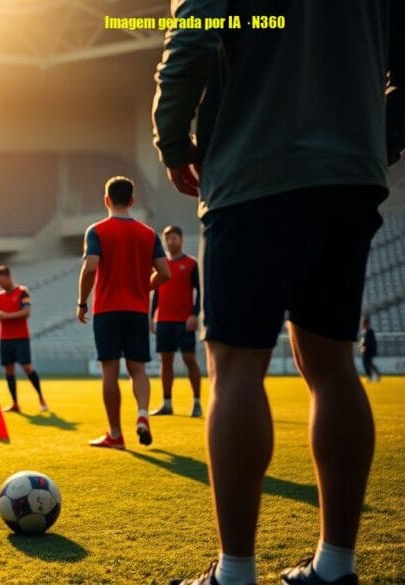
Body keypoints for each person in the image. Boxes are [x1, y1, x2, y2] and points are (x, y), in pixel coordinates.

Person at [153, 1, 402, 583]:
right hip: (347, 178)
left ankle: (235, 573)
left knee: (236, 369)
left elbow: (195, 33)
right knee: (332, 364)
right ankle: (336, 566)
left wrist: (172, 141)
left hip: (252, 168)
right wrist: (370, 142)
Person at [77, 176, 169, 450]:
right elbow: (165, 273)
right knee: (138, 369)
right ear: (132, 201)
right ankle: (142, 414)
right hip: (138, 311)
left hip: (107, 310)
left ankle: (115, 434)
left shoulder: (97, 230)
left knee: (110, 371)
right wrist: (144, 286)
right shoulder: (148, 234)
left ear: (106, 200)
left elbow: (91, 267)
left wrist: (82, 301)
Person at [150, 225, 203, 417]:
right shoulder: (159, 265)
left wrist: (195, 314)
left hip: (184, 320)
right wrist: (152, 317)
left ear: (181, 240)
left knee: (189, 359)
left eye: (174, 238)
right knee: (166, 361)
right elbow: (155, 292)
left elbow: (200, 292)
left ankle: (197, 402)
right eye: (167, 239)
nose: (170, 242)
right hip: (164, 320)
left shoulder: (191, 263)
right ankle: (167, 403)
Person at [0, 265, 47, 413]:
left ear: (9, 277)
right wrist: (0, 315)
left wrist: (5, 315)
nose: (1, 285)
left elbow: (26, 312)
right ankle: (15, 403)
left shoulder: (22, 292)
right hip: (5, 338)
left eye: (2, 281)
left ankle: (41, 397)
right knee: (9, 369)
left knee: (27, 367)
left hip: (21, 337)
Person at [360, 317, 381, 383]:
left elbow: (369, 342)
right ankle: (376, 374)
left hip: (369, 351)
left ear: (366, 324)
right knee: (369, 363)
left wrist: (363, 347)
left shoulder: (370, 331)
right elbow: (364, 341)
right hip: (368, 350)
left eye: (364, 323)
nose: (363, 325)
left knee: (366, 363)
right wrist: (362, 345)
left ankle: (370, 376)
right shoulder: (366, 332)